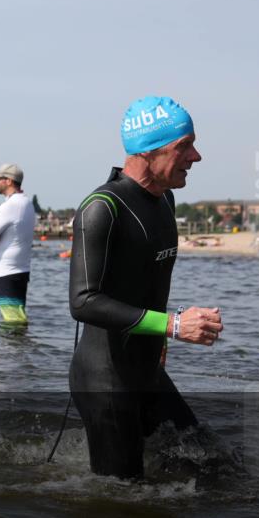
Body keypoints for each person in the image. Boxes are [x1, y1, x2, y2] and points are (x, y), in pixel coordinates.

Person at [68, 96, 223, 479]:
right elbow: (83, 302)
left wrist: (162, 339)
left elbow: (147, 282)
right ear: (148, 151)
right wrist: (172, 325)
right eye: (183, 146)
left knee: (210, 464)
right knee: (122, 502)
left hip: (147, 369)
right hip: (105, 379)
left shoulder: (165, 200)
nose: (196, 157)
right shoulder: (102, 207)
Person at [0, 164, 36, 325]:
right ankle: (21, 349)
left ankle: (12, 349)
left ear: (9, 181)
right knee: (18, 316)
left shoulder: (9, 206)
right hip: (22, 270)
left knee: (12, 321)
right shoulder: (28, 203)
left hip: (6, 272)